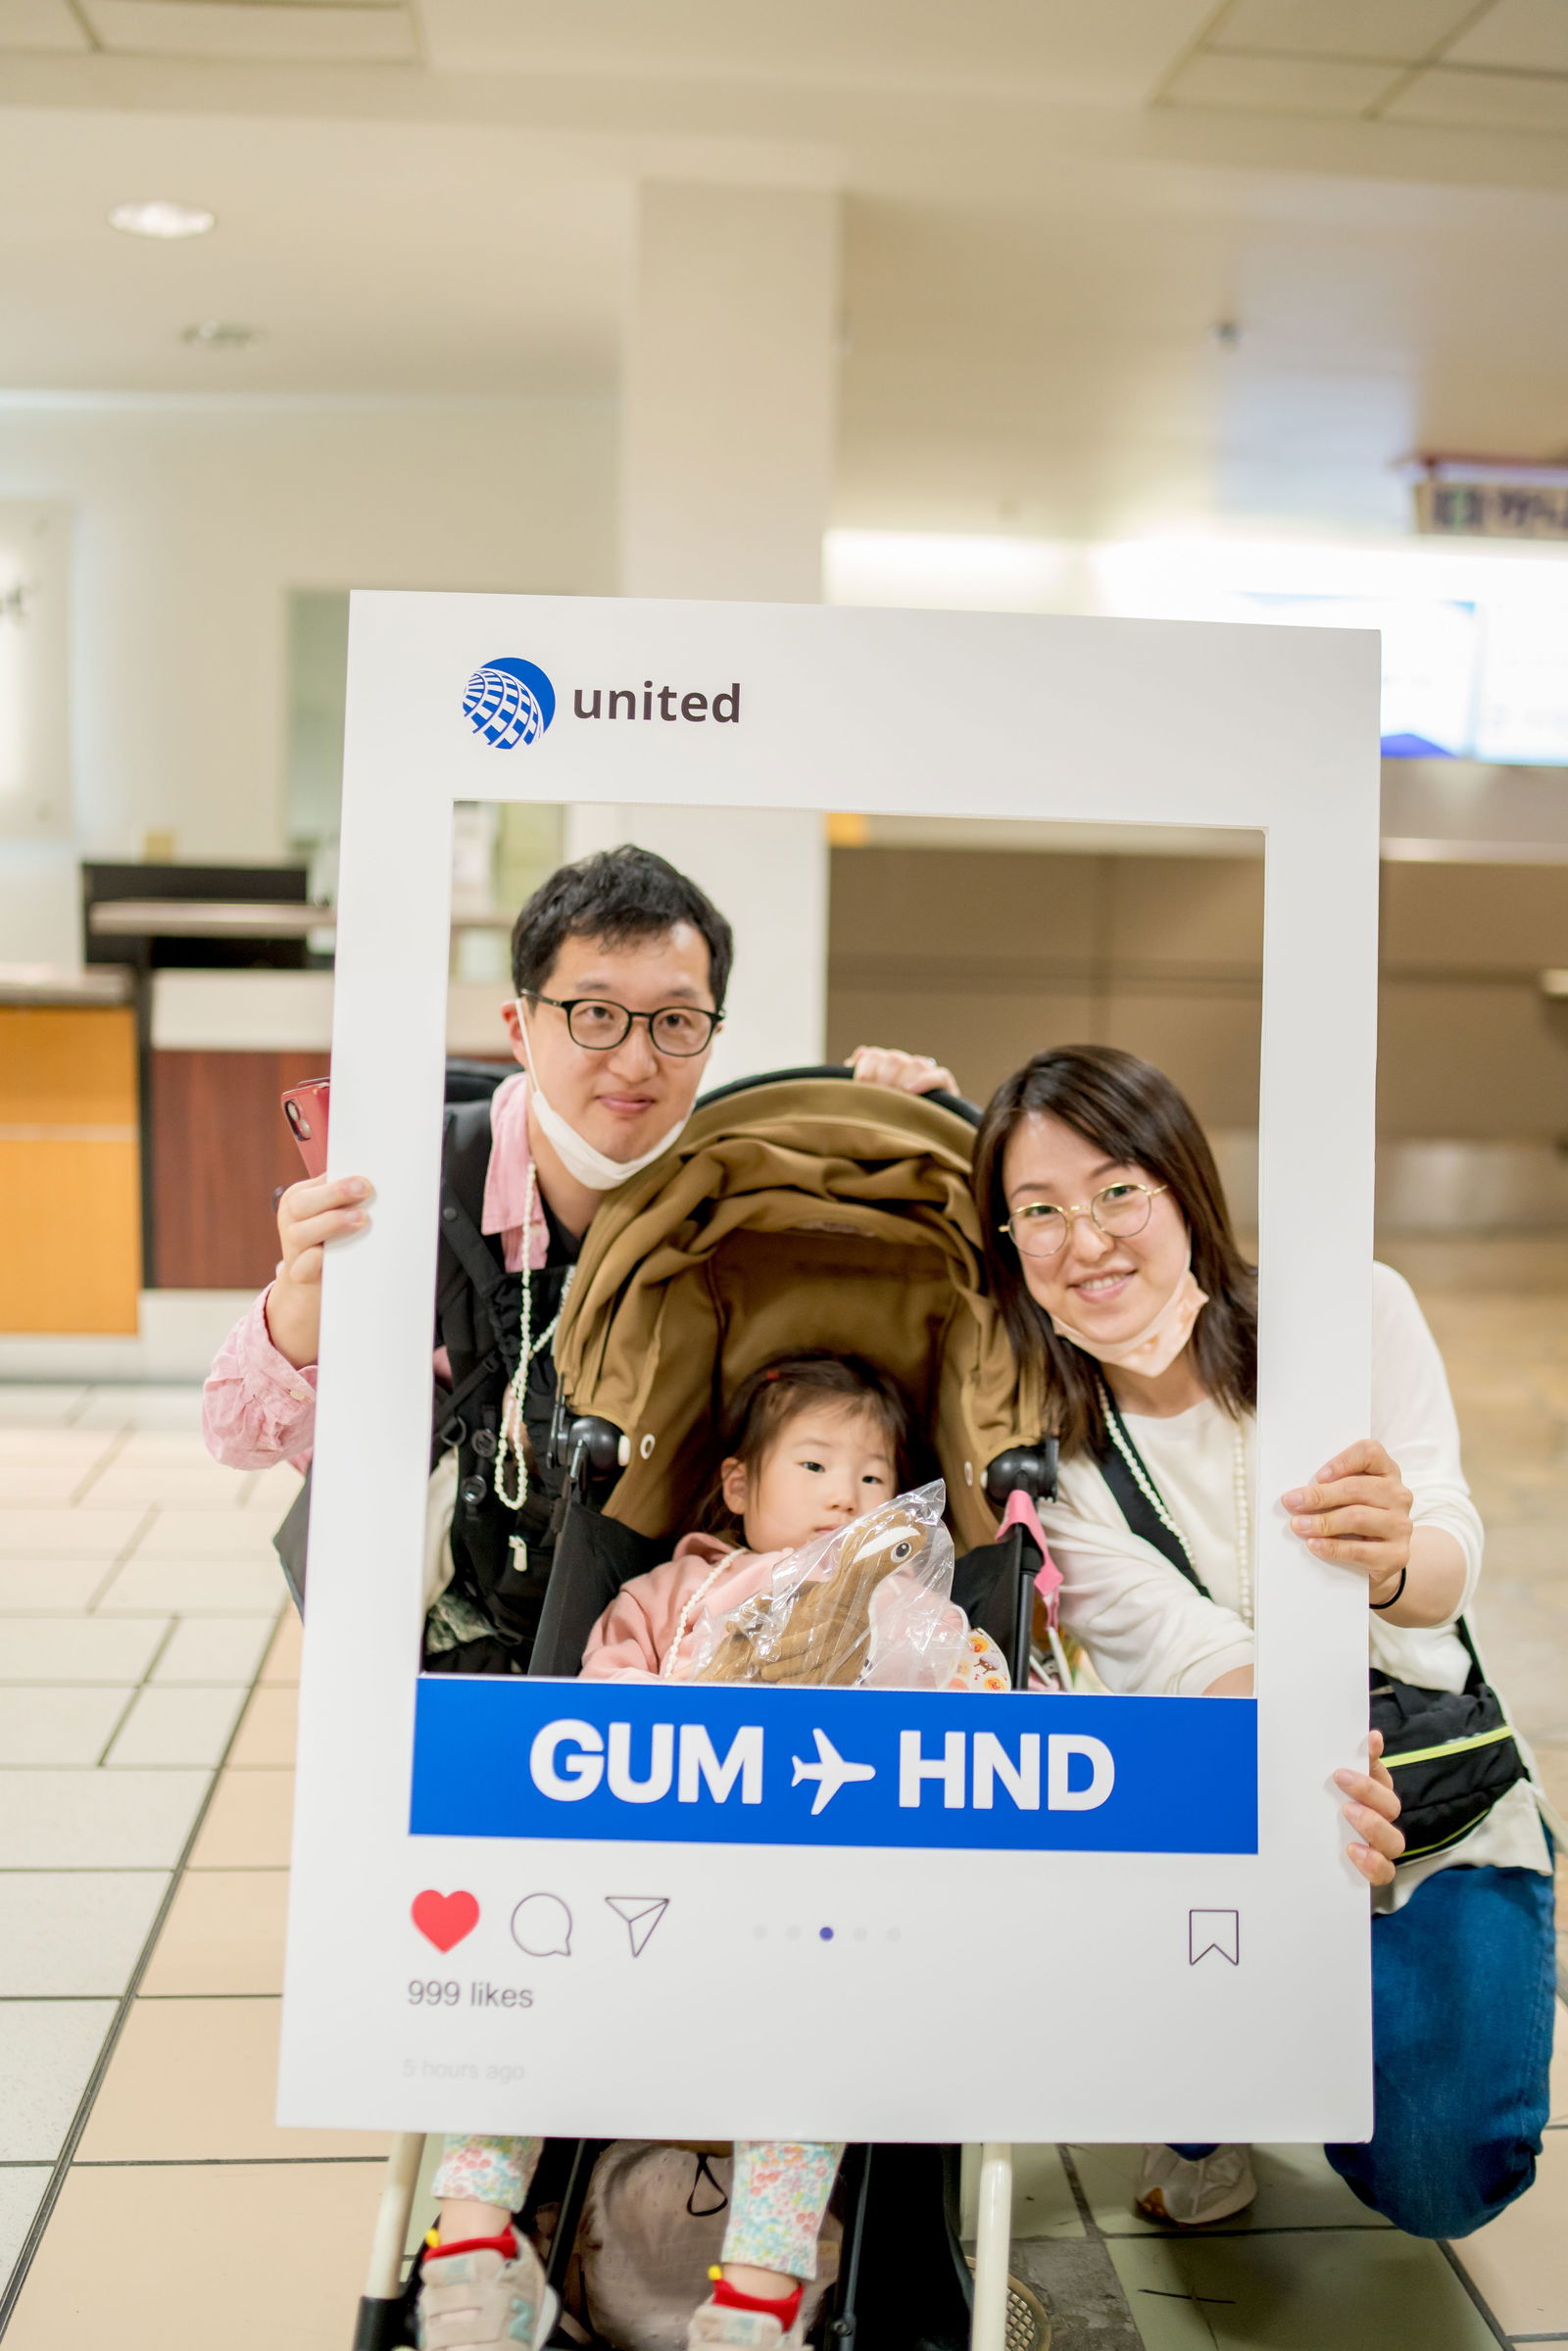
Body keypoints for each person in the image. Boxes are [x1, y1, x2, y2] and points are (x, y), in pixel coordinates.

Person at [967, 1042, 1553, 2238]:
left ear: (1184, 1183)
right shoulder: (1049, 1466)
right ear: (1006, 1244)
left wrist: (1390, 1555)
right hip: (1231, 1805)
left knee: (1443, 2172)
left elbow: (1444, 1557)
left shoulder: (1349, 1309)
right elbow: (1196, 1666)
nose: (1085, 1242)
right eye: (1039, 1211)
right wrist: (1309, 1798)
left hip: (1432, 1791)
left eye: (1118, 1190)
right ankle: (1208, 2087)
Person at [202, 846, 945, 1670]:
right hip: (436, 1646)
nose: (635, 1060)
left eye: (675, 1021)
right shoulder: (417, 1181)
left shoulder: (737, 1192)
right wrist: (299, 1311)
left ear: (711, 1033)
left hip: (639, 1646)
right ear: (520, 1026)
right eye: (594, 1012)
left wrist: (895, 1116)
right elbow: (235, 1435)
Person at [419, 1351, 1004, 2351]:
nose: (845, 1496)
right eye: (814, 1466)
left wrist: (950, 1673)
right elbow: (598, 1701)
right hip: (650, 1900)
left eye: (873, 1478)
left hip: (811, 1920)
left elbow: (979, 1710)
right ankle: (472, 2249)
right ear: (739, 1484)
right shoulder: (681, 1584)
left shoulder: (904, 1598)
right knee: (515, 1965)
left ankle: (758, 2297)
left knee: (810, 2038)